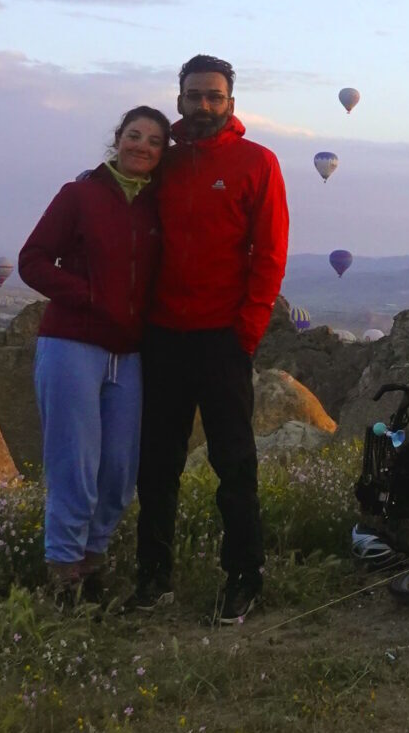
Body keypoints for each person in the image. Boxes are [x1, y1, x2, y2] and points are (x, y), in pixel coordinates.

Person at [127, 54, 289, 624]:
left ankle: (245, 576)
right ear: (179, 99)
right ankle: (153, 577)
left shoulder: (257, 162)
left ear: (231, 104)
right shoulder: (161, 164)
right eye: (194, 95)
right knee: (157, 463)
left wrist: (245, 332)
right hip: (163, 335)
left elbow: (269, 254)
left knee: (235, 463)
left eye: (214, 97)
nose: (203, 105)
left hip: (222, 337)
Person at [17, 105, 168, 603]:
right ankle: (64, 575)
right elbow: (32, 261)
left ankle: (92, 561)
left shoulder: (157, 209)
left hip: (127, 354)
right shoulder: (79, 195)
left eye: (153, 140)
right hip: (71, 344)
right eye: (133, 135)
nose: (141, 146)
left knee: (119, 471)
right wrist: (89, 296)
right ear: (117, 139)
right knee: (73, 465)